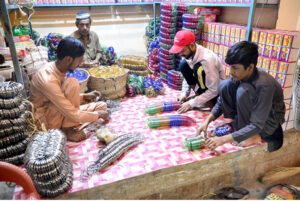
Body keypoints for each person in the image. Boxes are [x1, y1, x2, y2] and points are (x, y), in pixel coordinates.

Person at [197, 41, 286, 152]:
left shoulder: (264, 85)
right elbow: (221, 102)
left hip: (270, 121)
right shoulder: (241, 76)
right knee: (225, 85)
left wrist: (223, 139)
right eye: (231, 67)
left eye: (235, 68)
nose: (231, 72)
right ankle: (239, 127)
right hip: (253, 115)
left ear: (250, 67)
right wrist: (207, 121)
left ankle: (253, 135)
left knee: (243, 91)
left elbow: (258, 124)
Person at [30, 37, 108, 142]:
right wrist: (97, 115)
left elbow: (62, 97)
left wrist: (85, 96)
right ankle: (68, 129)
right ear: (69, 59)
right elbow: (70, 112)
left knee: (102, 106)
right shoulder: (48, 79)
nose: (80, 64)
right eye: (79, 61)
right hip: (47, 122)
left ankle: (68, 126)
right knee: (72, 83)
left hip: (60, 111)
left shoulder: (59, 68)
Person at [169, 30, 225, 113]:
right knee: (184, 65)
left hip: (216, 91)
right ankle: (200, 96)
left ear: (191, 45)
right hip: (203, 85)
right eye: (179, 51)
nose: (180, 54)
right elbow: (186, 76)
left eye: (182, 51)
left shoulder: (207, 60)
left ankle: (211, 102)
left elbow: (214, 90)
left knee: (198, 69)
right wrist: (184, 94)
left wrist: (191, 103)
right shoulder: (188, 53)